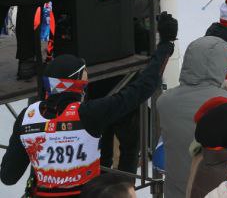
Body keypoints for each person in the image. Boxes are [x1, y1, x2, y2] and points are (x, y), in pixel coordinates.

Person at [1, 12, 178, 196]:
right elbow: (142, 88)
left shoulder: (26, 117)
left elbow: (8, 176)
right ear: (76, 86)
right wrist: (166, 44)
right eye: (84, 81)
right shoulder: (89, 113)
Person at [156, 34, 227, 198]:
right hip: (212, 191)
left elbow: (202, 102)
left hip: (176, 190)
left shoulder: (164, 101)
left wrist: (226, 88)